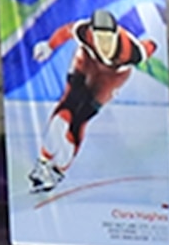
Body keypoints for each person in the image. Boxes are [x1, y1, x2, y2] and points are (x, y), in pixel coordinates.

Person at [24, 10, 155, 195]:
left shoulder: (133, 51)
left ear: (116, 35)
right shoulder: (83, 30)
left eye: (108, 40)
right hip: (86, 62)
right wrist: (49, 45)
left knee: (80, 118)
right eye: (99, 39)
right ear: (92, 34)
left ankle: (59, 171)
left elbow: (151, 46)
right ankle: (44, 161)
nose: (104, 45)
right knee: (66, 107)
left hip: (111, 77)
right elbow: (66, 32)